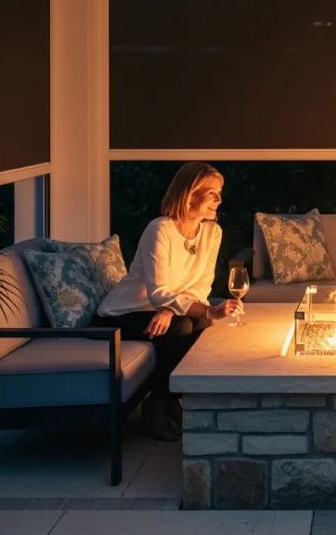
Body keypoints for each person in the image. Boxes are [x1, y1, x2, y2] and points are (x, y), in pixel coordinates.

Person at [96, 161, 242, 441]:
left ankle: (171, 399)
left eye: (220, 192)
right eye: (212, 192)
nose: (219, 199)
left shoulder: (212, 232)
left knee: (199, 322)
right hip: (122, 313)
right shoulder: (160, 229)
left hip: (160, 308)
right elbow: (158, 291)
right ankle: (156, 403)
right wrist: (185, 308)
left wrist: (170, 308)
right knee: (181, 327)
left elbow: (202, 284)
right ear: (189, 194)